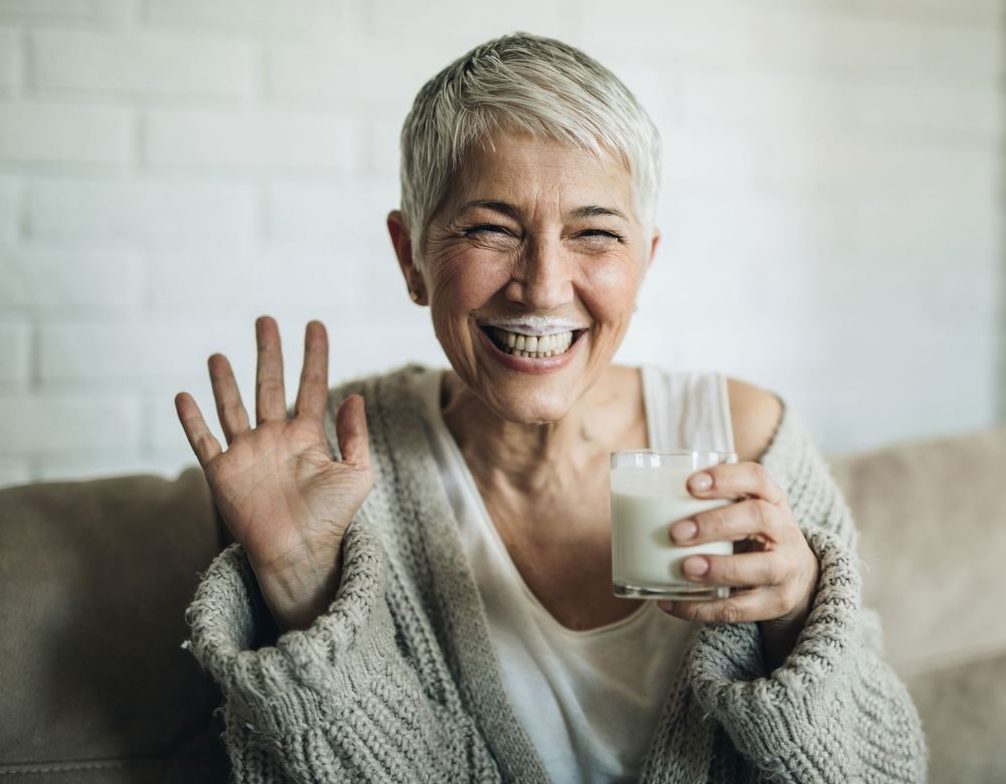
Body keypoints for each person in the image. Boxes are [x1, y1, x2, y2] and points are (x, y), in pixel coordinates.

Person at [177, 32, 926, 783]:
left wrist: (796, 623)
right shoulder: (327, 471)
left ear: (644, 264)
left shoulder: (748, 437)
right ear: (410, 256)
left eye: (595, 234)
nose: (541, 286)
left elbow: (887, 771)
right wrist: (303, 586)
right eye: (491, 229)